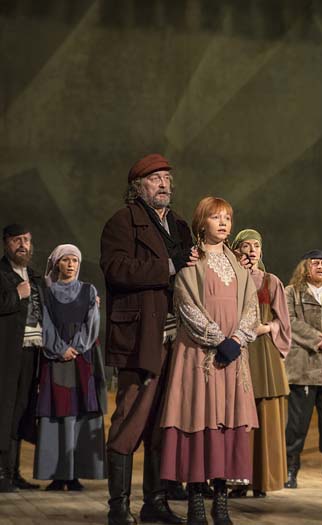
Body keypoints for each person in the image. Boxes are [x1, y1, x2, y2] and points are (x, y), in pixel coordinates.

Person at [100, 154, 193, 525]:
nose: (164, 184)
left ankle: (155, 501)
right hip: (141, 336)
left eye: (167, 177)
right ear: (137, 186)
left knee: (163, 422)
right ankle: (118, 506)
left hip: (177, 339)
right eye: (155, 179)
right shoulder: (122, 221)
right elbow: (116, 269)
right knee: (130, 418)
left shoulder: (180, 226)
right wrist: (169, 266)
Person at [159, 196, 259, 525]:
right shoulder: (191, 262)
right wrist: (218, 340)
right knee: (198, 422)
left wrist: (238, 339)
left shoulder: (237, 264)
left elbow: (251, 307)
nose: (223, 223)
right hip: (199, 354)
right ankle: (195, 502)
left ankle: (221, 501)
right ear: (202, 223)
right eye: (216, 217)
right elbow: (186, 303)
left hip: (232, 356)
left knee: (226, 424)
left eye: (227, 218)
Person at [34, 244, 107, 490]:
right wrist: (59, 349)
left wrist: (76, 346)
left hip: (82, 359)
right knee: (57, 409)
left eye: (74, 260)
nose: (71, 265)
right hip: (56, 358)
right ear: (57, 264)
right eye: (66, 260)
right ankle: (58, 473)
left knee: (79, 410)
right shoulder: (48, 293)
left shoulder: (89, 291)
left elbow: (92, 322)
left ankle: (75, 473)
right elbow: (46, 324)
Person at [228, 229, 291, 498]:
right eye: (246, 245)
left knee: (265, 414)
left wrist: (266, 328)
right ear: (236, 250)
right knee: (238, 415)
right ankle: (238, 480)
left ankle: (263, 480)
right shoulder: (229, 279)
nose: (252, 250)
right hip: (238, 350)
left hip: (264, 353)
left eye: (256, 245)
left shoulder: (270, 281)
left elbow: (284, 322)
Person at [283, 249, 322, 490]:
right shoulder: (291, 293)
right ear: (305, 268)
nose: (320, 267)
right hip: (304, 368)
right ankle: (289, 469)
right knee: (296, 425)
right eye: (315, 263)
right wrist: (319, 340)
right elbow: (289, 321)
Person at [0, 224, 43, 492]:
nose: (23, 245)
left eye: (26, 240)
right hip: (7, 353)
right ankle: (1, 473)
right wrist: (16, 294)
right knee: (4, 409)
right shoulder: (2, 273)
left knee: (21, 409)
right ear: (6, 243)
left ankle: (14, 472)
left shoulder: (34, 275)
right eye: (17, 240)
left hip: (32, 351)